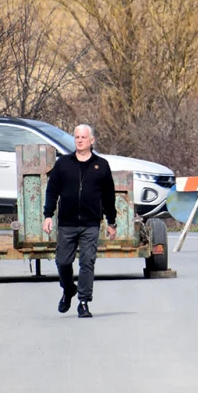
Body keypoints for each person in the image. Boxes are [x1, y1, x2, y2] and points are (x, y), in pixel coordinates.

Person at [42, 124, 117, 318]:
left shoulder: (101, 165)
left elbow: (109, 196)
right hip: (67, 223)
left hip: (91, 223)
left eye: (84, 137)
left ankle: (83, 302)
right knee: (63, 261)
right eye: (77, 137)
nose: (80, 140)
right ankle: (68, 289)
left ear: (92, 140)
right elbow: (52, 190)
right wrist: (48, 215)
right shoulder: (63, 164)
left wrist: (111, 222)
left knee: (87, 262)